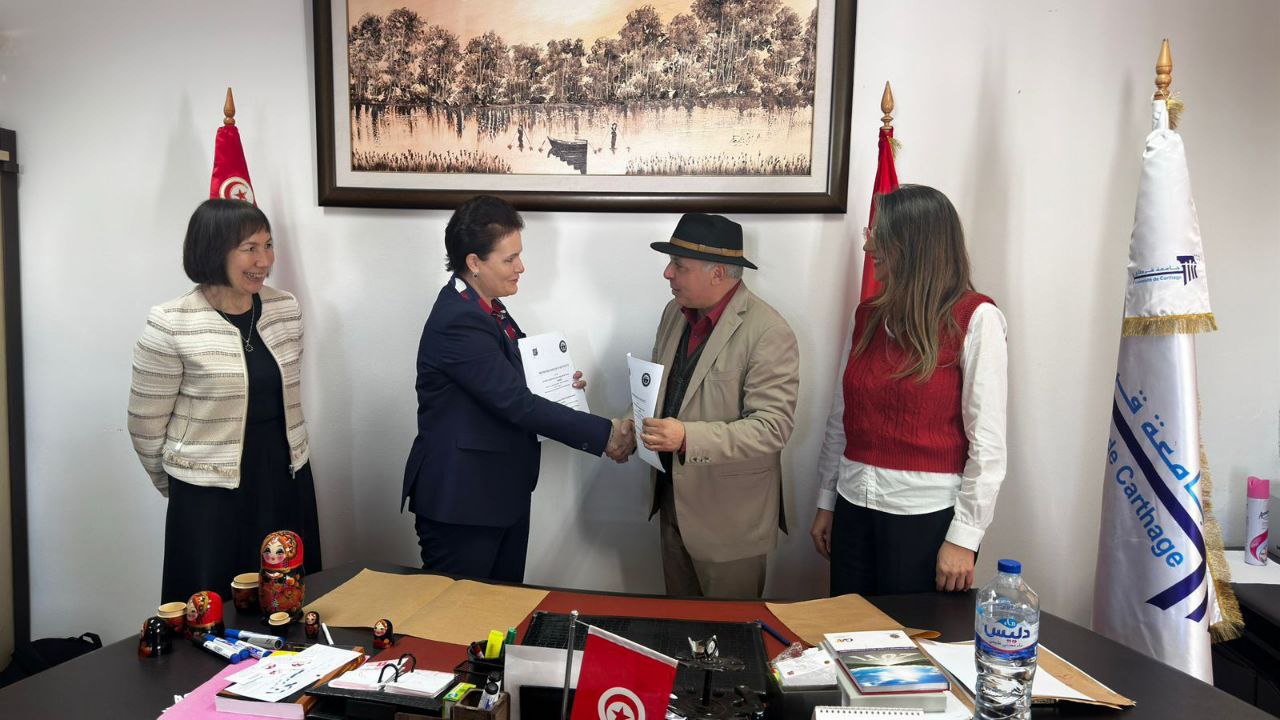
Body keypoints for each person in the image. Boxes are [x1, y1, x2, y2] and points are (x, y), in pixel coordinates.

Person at [401, 195, 631, 583]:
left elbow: (511, 383)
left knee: (502, 613)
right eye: (510, 259)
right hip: (464, 504)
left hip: (497, 496)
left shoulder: (488, 307)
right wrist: (605, 434)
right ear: (474, 262)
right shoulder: (459, 320)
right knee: (459, 615)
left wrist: (559, 388)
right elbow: (516, 402)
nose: (521, 267)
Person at [810, 184, 1008, 596]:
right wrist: (827, 499)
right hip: (853, 506)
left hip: (926, 517)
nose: (868, 247)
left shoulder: (976, 317)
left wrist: (964, 537)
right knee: (846, 627)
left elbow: (988, 445)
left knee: (913, 634)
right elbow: (841, 417)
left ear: (915, 243)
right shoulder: (867, 316)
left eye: (879, 235)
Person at [128, 198, 321, 603]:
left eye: (268, 245)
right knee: (211, 607)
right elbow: (145, 425)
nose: (264, 260)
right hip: (209, 494)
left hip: (283, 476)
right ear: (214, 250)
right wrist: (184, 482)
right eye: (250, 248)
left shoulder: (285, 309)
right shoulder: (171, 322)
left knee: (287, 598)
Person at [631, 212, 800, 599]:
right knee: (679, 627)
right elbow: (658, 394)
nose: (667, 274)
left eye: (679, 265)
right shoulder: (674, 314)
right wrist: (627, 426)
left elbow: (772, 428)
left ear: (718, 273)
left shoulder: (769, 331)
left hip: (731, 526)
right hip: (672, 507)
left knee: (730, 635)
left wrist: (686, 437)